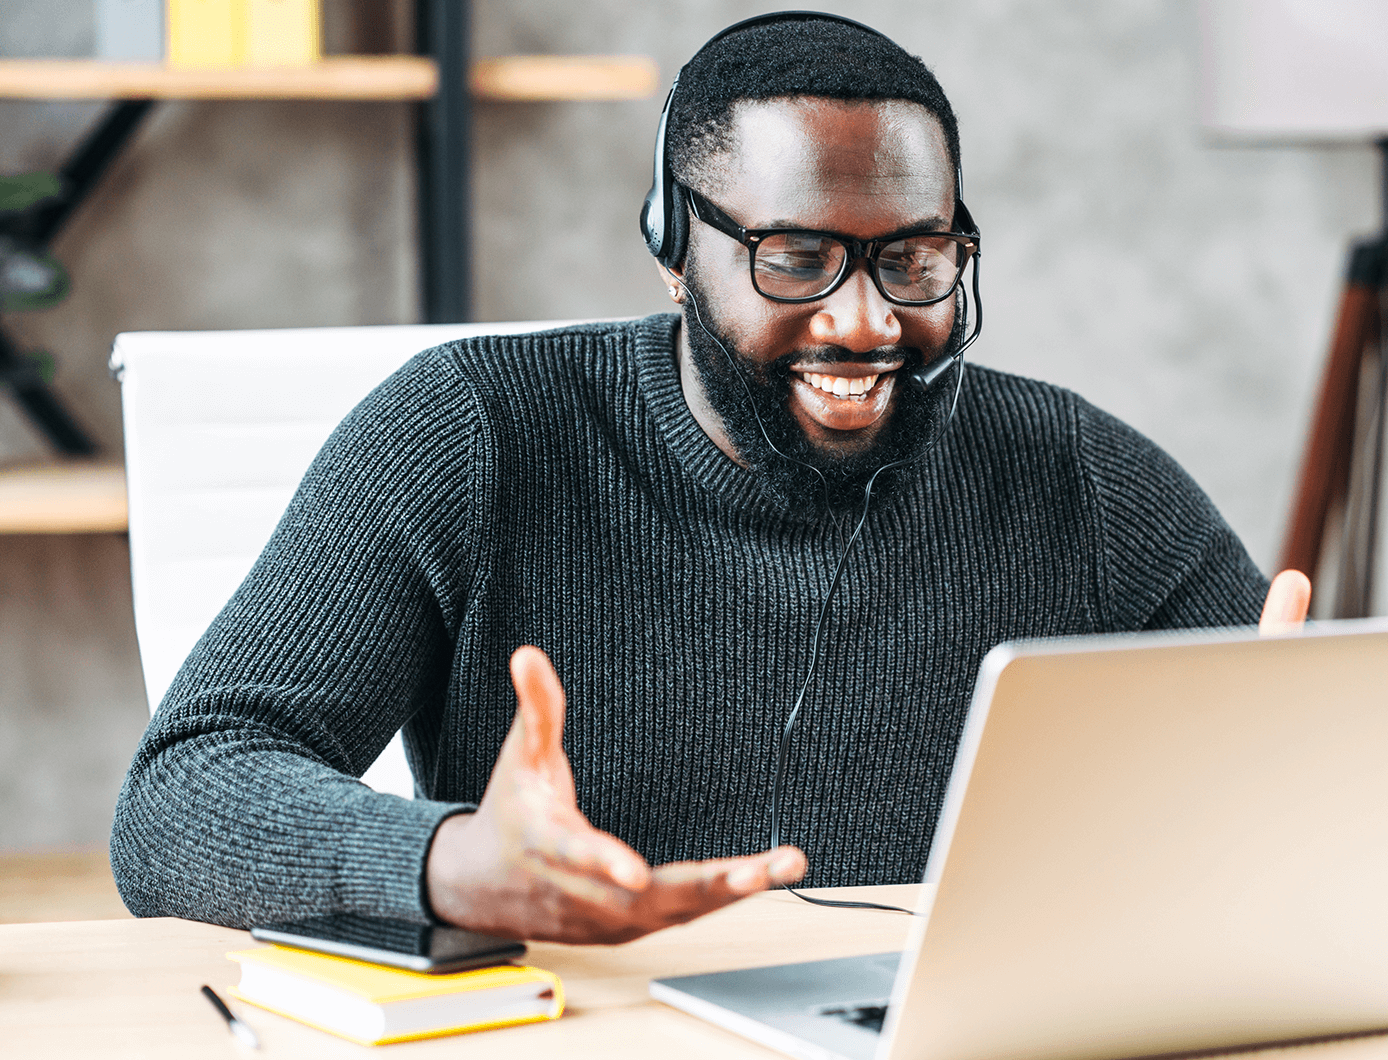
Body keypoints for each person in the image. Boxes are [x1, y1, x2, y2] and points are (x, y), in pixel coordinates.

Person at [111, 14, 1309, 945]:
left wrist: (1312, 747)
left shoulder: (1075, 473)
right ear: (676, 249)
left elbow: (1303, 786)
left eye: (914, 257)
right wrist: (448, 861)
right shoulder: (469, 431)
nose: (864, 319)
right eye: (796, 259)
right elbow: (181, 795)